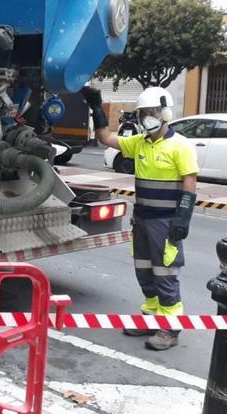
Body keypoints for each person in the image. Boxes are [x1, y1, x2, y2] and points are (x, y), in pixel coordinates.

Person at [81, 86, 198, 351]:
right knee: (145, 272)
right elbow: (104, 138)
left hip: (165, 223)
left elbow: (190, 185)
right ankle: (151, 319)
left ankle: (169, 329)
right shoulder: (139, 143)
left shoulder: (180, 146)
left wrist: (183, 219)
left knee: (165, 274)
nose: (147, 117)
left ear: (165, 113)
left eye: (152, 112)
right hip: (142, 220)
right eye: (144, 113)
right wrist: (97, 108)